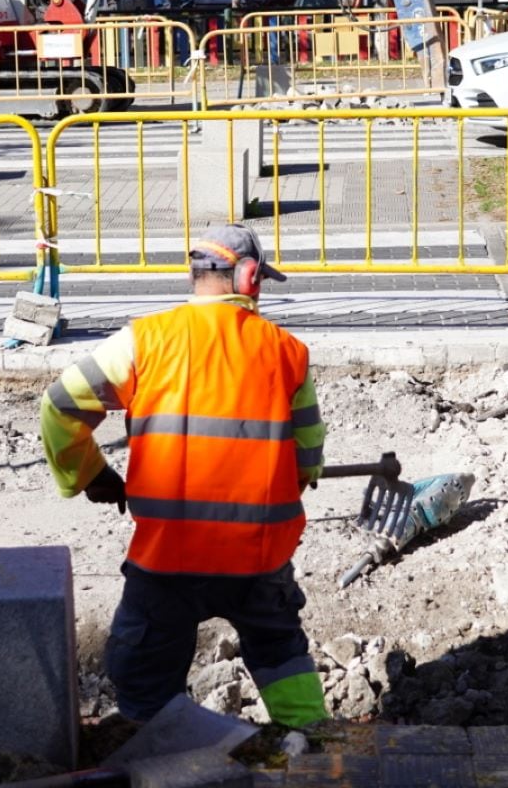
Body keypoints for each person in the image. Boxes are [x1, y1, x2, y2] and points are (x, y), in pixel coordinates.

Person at [39, 224, 329, 728]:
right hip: (259, 559)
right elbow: (307, 457)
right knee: (281, 652)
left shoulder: (143, 342)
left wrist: (92, 475)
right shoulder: (288, 352)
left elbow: (60, 406)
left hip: (168, 558)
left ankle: (164, 756)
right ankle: (314, 746)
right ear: (250, 275)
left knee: (145, 684)